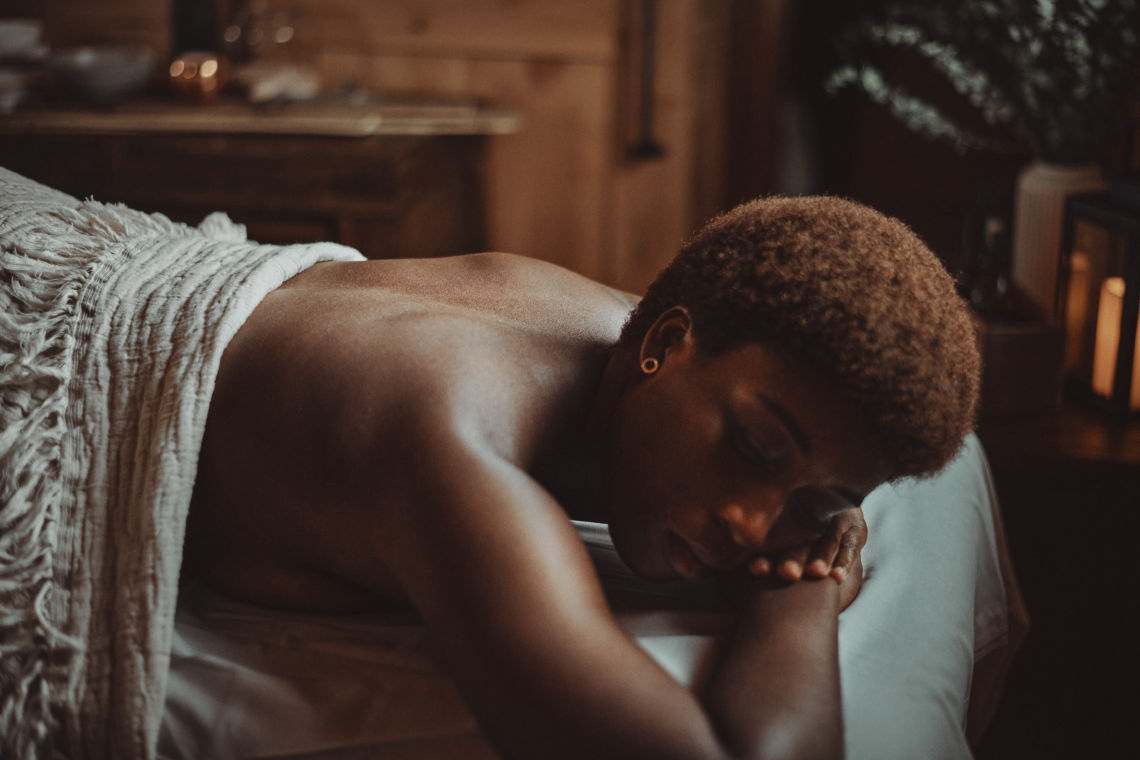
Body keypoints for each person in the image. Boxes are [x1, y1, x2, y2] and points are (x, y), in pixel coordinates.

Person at [183, 195, 980, 760]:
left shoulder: (643, 337)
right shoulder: (448, 429)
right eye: (756, 448)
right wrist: (801, 593)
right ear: (665, 345)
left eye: (818, 505)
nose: (751, 524)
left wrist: (804, 506)